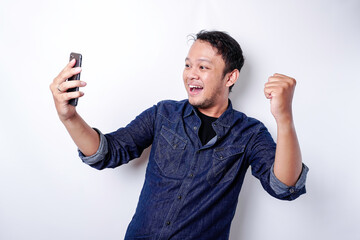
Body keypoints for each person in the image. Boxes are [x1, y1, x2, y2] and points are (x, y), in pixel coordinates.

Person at [50, 30, 308, 240]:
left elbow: (284, 187)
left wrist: (284, 117)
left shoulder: (249, 133)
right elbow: (107, 153)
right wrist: (69, 117)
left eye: (203, 67)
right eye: (188, 65)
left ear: (230, 77)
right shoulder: (163, 114)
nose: (191, 73)